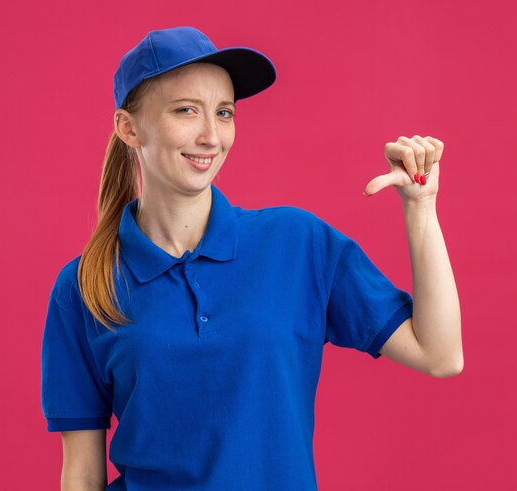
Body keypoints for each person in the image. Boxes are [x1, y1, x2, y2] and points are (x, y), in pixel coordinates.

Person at [41, 26, 463, 491]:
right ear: (129, 128)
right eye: (186, 110)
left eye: (224, 113)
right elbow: (81, 473)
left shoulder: (297, 244)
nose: (210, 136)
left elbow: (440, 354)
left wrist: (421, 209)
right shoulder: (84, 286)